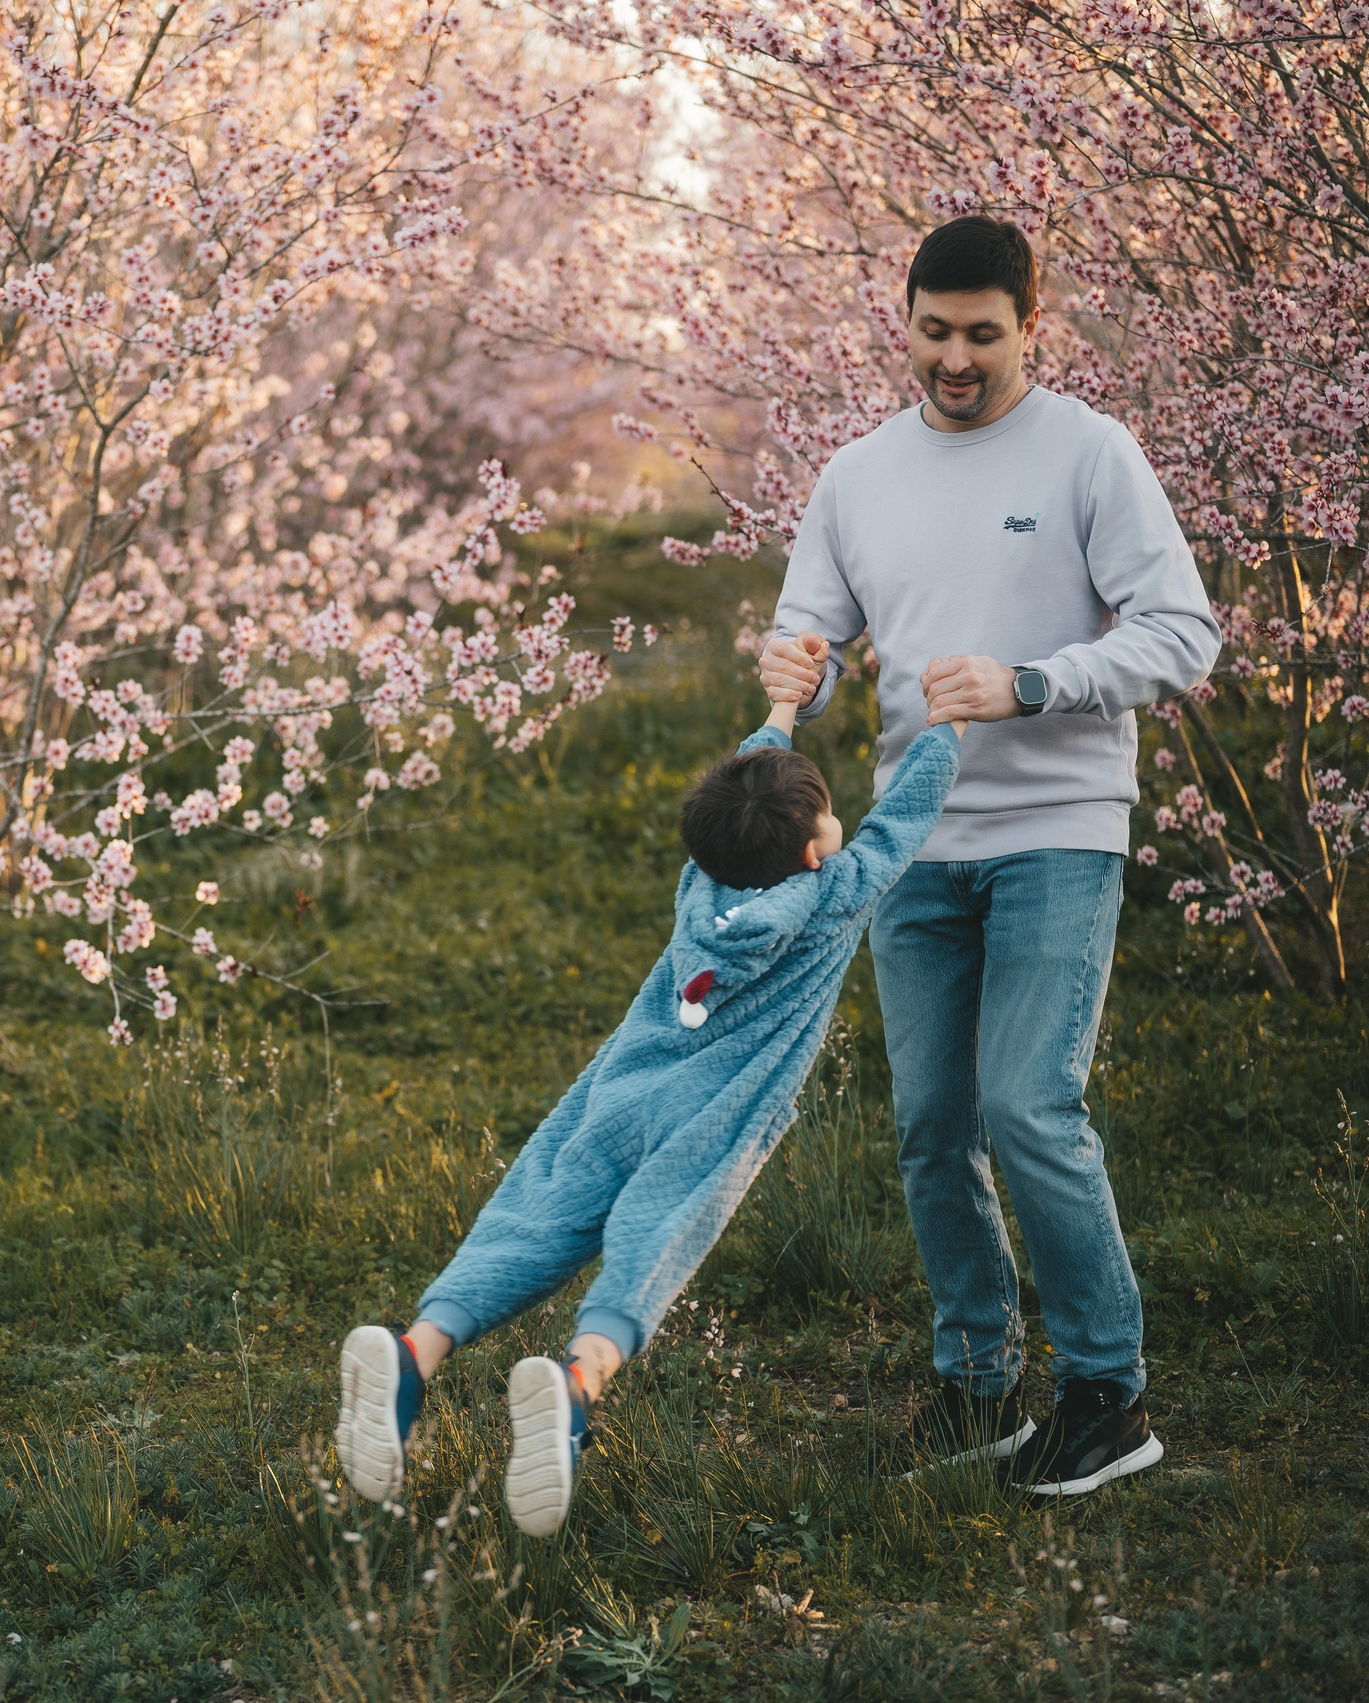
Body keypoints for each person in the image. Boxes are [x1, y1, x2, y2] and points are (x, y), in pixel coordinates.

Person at [760, 215, 1220, 1498]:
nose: (953, 359)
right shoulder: (856, 474)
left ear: (1031, 325)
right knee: (930, 1126)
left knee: (1028, 1102)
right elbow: (812, 616)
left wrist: (1030, 682)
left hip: (1057, 828)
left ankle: (1106, 1391)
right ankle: (977, 1386)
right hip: (914, 839)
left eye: (981, 334)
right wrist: (791, 660)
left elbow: (1184, 634)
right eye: (933, 331)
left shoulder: (1089, 453)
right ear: (903, 319)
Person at [337, 690, 964, 1537]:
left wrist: (781, 708)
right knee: (657, 1231)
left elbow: (740, 798)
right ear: (814, 849)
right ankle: (575, 1382)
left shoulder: (701, 883)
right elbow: (904, 818)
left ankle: (417, 1352)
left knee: (540, 1212)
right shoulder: (836, 890)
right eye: (828, 815)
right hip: (716, 1107)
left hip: (625, 1085)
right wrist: (952, 723)